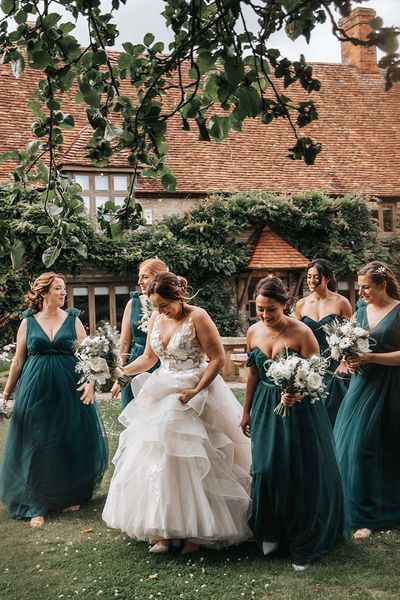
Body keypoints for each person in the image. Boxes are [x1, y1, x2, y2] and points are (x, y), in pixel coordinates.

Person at [103, 272, 252, 554]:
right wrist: (122, 374)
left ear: (178, 296)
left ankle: (195, 532)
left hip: (194, 388)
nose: (160, 311)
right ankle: (162, 528)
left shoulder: (198, 316)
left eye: (163, 305)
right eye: (156, 306)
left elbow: (218, 358)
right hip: (162, 386)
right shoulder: (156, 318)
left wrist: (196, 391)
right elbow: (149, 358)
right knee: (158, 455)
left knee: (195, 458)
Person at [241, 276, 347, 570]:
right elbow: (251, 375)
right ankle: (272, 530)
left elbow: (319, 376)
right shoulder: (253, 332)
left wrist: (297, 393)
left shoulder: (301, 333)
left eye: (271, 309)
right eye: (260, 309)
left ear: (285, 305)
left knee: (296, 471)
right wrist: (246, 411)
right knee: (264, 467)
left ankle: (303, 538)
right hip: (264, 407)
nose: (264, 315)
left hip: (299, 412)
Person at [0, 272, 108, 528]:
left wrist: (90, 384)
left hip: (69, 388)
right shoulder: (28, 322)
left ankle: (68, 494)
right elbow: (18, 361)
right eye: (58, 288)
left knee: (68, 438)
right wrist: (6, 394)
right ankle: (37, 503)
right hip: (34, 389)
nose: (63, 292)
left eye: (64, 288)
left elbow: (89, 358)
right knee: (36, 442)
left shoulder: (73, 320)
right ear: (44, 292)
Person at [334, 261, 400, 540]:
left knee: (383, 447)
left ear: (382, 285)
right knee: (353, 447)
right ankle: (356, 509)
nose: (360, 292)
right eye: (359, 287)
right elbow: (352, 347)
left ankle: (377, 512)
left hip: (390, 385)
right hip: (361, 385)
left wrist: (372, 357)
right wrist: (346, 358)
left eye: (366, 287)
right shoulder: (360, 311)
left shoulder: (398, 311)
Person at [295, 259, 352, 425]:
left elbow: (350, 335)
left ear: (327, 278)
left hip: (335, 366)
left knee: (335, 414)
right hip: (310, 364)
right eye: (309, 277)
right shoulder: (301, 304)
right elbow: (296, 336)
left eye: (316, 277)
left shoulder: (341, 302)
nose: (311, 281)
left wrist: (343, 363)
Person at [111, 258, 168, 407]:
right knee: (133, 412)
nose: (140, 281)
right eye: (139, 277)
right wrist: (120, 376)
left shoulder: (171, 306)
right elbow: (124, 343)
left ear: (158, 277)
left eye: (145, 277)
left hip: (164, 363)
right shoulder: (133, 303)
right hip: (136, 362)